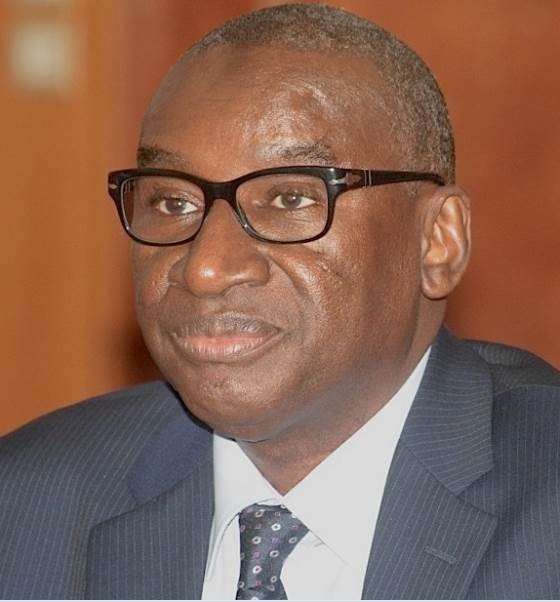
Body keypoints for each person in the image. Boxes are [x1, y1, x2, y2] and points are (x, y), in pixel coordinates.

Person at [1, 3, 559, 599]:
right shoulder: (26, 504)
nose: (206, 268)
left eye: (291, 198)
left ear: (437, 240)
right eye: (172, 202)